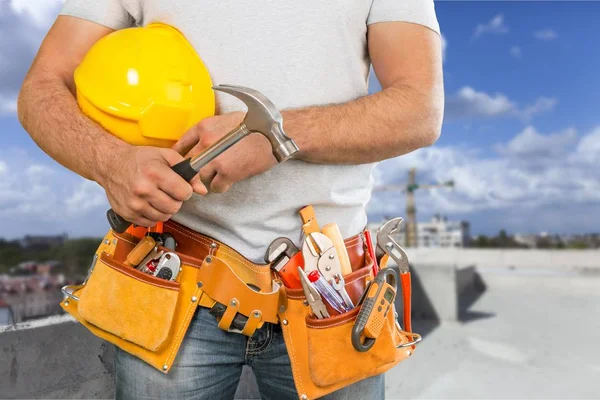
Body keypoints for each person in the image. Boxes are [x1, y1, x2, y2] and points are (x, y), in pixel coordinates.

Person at [18, 1, 443, 398]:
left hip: (330, 298)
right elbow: (43, 86)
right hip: (173, 281)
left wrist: (279, 135)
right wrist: (110, 162)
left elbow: (419, 108)